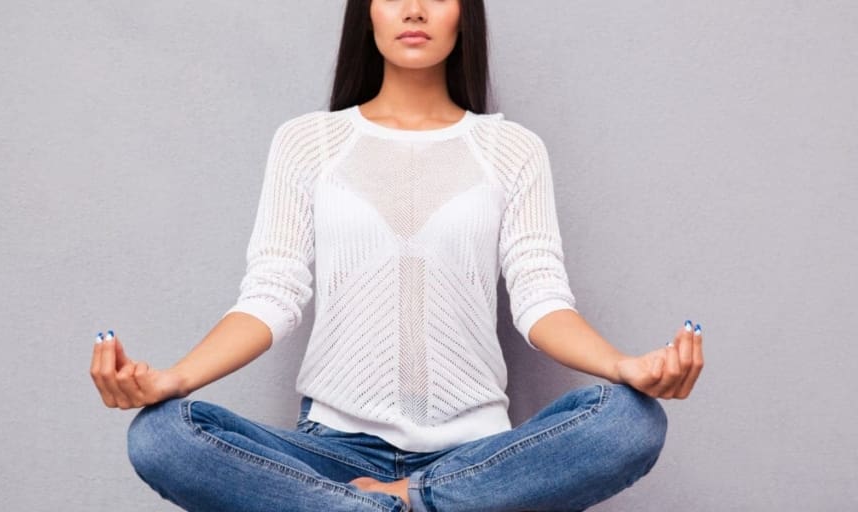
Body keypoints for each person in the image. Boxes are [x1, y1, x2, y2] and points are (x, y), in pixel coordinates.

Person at [89, 1, 705, 510]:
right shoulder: (308, 142)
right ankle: (391, 505)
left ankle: (408, 498)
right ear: (368, 14)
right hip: (332, 451)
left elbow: (541, 298)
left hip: (479, 455)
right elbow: (271, 295)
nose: (414, 10)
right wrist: (173, 379)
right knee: (162, 437)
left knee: (632, 422)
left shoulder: (511, 149)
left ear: (465, 14)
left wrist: (624, 367)